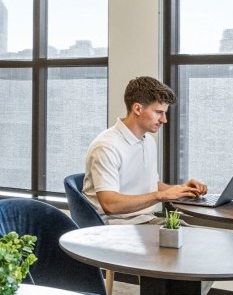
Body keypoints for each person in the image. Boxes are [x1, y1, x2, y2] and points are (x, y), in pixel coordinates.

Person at [83, 76, 207, 224]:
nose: (164, 120)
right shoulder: (106, 146)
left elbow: (151, 186)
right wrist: (160, 196)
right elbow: (110, 205)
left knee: (191, 233)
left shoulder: (148, 141)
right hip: (116, 226)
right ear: (137, 109)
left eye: (164, 113)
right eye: (158, 112)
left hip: (145, 220)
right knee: (186, 235)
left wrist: (181, 190)